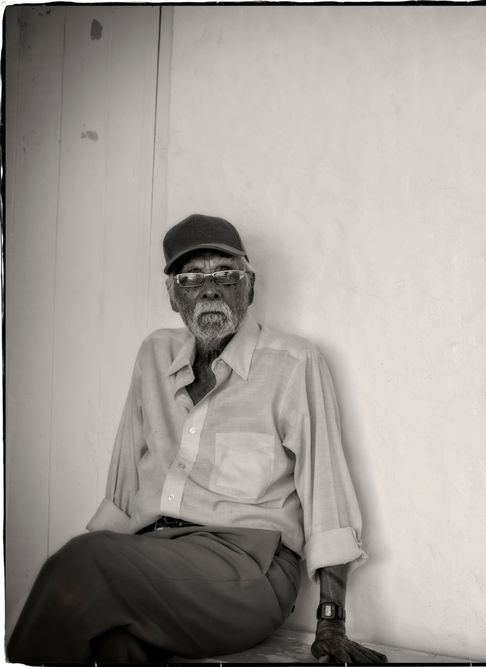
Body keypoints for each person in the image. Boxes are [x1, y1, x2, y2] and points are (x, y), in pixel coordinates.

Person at [7, 214, 386, 664]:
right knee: (115, 645)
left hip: (249, 568)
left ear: (250, 285)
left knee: (79, 563)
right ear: (172, 294)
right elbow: (126, 484)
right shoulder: (154, 354)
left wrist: (331, 621)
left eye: (225, 274)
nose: (210, 289)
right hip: (153, 557)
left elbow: (328, 497)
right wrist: (109, 560)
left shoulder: (292, 362)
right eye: (191, 278)